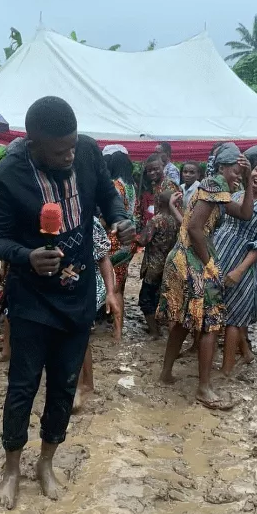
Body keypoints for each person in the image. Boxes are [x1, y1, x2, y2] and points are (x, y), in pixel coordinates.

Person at [0, 96, 134, 509]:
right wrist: (26, 257)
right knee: (22, 386)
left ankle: (46, 463)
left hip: (79, 292)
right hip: (32, 296)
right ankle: (12, 467)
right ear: (33, 143)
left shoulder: (87, 150)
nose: (69, 154)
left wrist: (119, 215)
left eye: (72, 145)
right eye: (59, 150)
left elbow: (106, 194)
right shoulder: (7, 176)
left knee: (64, 385)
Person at [157, 142, 253, 410]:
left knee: (185, 319)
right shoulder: (215, 183)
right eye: (236, 168)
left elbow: (245, 214)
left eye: (240, 170)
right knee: (210, 322)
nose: (237, 174)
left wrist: (245, 179)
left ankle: (166, 374)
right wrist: (209, 264)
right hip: (193, 259)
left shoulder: (216, 188)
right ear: (223, 166)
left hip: (183, 256)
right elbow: (197, 229)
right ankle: (204, 388)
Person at [214, 158, 257, 376]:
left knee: (234, 319)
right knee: (213, 310)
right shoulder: (234, 196)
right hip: (219, 257)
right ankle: (243, 354)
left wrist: (240, 270)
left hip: (244, 265)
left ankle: (226, 370)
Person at [73, 217, 119, 410]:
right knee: (76, 336)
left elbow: (103, 257)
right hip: (61, 283)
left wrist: (110, 292)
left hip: (88, 284)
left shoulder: (89, 221)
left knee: (75, 334)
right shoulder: (46, 214)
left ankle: (79, 386)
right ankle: (85, 383)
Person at [104, 149, 138, 339]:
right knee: (119, 286)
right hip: (128, 240)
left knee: (111, 286)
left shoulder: (115, 185)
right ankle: (118, 328)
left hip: (114, 239)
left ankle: (116, 331)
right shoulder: (132, 186)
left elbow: (109, 214)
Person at [137, 190, 178, 339]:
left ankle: (154, 331)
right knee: (159, 297)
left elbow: (143, 241)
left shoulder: (156, 220)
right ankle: (161, 328)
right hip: (168, 265)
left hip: (153, 267)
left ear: (159, 202)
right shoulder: (175, 221)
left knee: (145, 299)